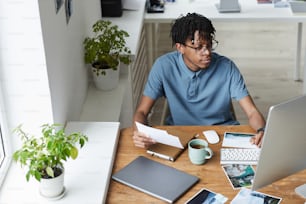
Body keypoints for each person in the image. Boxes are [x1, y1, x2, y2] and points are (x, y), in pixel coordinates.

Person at [133, 13, 266, 148]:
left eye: (209, 45)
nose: (207, 52)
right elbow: (142, 112)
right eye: (198, 47)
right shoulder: (163, 66)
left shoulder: (227, 67)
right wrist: (140, 132)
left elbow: (252, 112)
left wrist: (262, 131)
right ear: (180, 48)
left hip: (222, 136)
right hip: (179, 136)